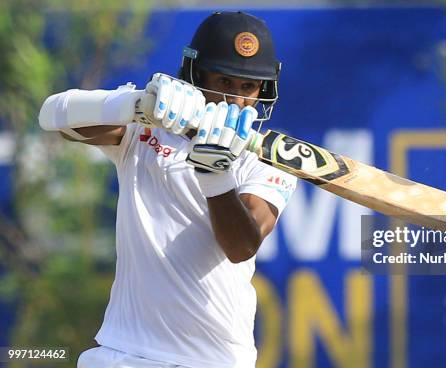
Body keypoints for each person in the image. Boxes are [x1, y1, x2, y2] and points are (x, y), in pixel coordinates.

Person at [38, 11, 296, 368]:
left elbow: (242, 246)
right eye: (223, 81)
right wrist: (138, 105)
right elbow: (55, 118)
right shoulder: (144, 129)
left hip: (212, 358)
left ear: (262, 91)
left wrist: (215, 174)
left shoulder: (265, 159)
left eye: (247, 87)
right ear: (196, 73)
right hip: (122, 349)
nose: (235, 100)